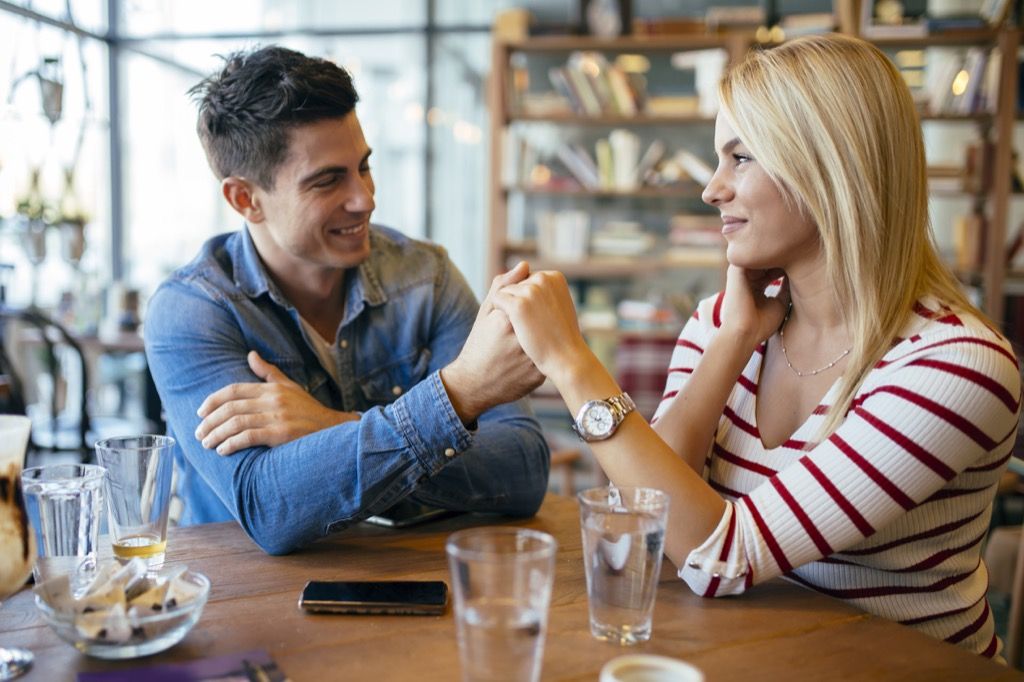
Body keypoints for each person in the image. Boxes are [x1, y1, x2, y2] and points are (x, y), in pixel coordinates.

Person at [490, 34, 1021, 659]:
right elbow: (649, 530)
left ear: (831, 167)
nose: (712, 190)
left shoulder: (955, 365)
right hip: (747, 659)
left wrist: (572, 364)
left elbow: (718, 555)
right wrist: (734, 342)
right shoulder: (724, 321)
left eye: (741, 158)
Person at [144, 46, 549, 555]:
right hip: (242, 602)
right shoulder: (194, 309)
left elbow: (525, 468)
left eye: (364, 166)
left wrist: (334, 426)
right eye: (329, 180)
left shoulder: (425, 277)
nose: (366, 198)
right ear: (245, 199)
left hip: (409, 578)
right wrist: (456, 398)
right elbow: (268, 506)